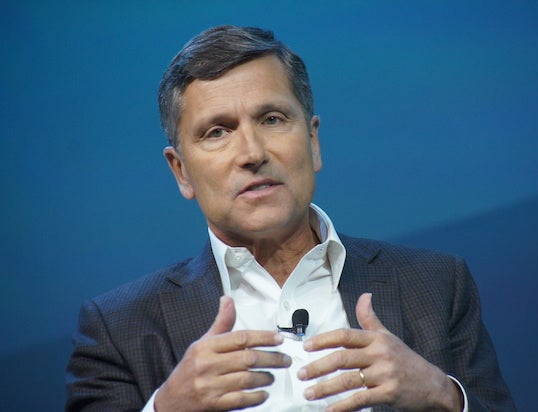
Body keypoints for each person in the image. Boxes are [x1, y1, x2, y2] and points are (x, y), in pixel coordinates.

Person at [66, 25, 515, 411]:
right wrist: (167, 408)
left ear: (313, 142)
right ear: (181, 171)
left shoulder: (436, 285)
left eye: (272, 119)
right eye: (217, 132)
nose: (252, 153)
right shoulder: (118, 328)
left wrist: (442, 395)